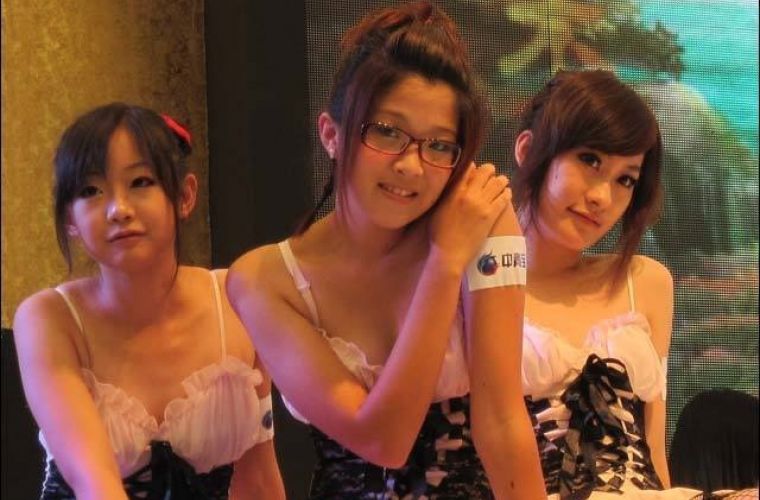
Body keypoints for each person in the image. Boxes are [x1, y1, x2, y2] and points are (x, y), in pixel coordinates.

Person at [226, 2, 546, 498]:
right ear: (331, 135)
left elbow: (503, 421)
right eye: (388, 132)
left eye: (439, 145)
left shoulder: (483, 219)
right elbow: (383, 440)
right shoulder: (264, 279)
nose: (411, 166)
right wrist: (444, 261)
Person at [12, 103, 285, 499]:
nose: (118, 210)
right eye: (91, 191)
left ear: (185, 195)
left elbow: (258, 478)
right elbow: (94, 481)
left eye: (140, 182)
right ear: (70, 219)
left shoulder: (237, 298)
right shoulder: (48, 319)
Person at [512, 69, 716, 499]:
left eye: (626, 179)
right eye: (590, 160)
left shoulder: (646, 282)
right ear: (529, 151)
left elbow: (652, 451)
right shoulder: (476, 282)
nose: (603, 198)